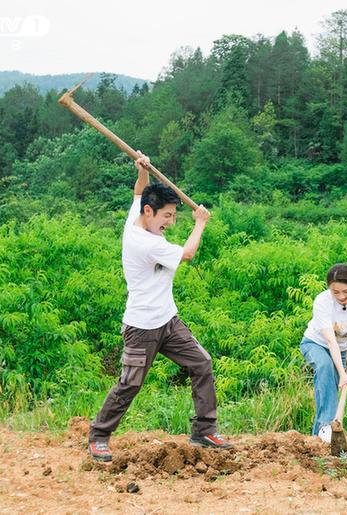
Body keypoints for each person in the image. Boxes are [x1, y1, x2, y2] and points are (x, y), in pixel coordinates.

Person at [87, 152, 231, 462]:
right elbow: (189, 254)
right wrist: (200, 223)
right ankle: (99, 435)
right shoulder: (145, 242)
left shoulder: (138, 215)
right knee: (130, 384)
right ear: (149, 213)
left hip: (168, 321)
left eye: (174, 216)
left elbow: (139, 192)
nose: (170, 223)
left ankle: (204, 430)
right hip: (141, 328)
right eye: (167, 216)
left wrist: (142, 171)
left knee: (201, 363)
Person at [300, 263, 347, 443]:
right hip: (315, 343)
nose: (341, 297)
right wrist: (342, 374)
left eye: (346, 292)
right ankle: (326, 425)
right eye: (336, 292)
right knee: (325, 367)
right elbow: (330, 341)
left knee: (328, 390)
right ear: (329, 289)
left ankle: (318, 435)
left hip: (342, 348)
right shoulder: (322, 302)